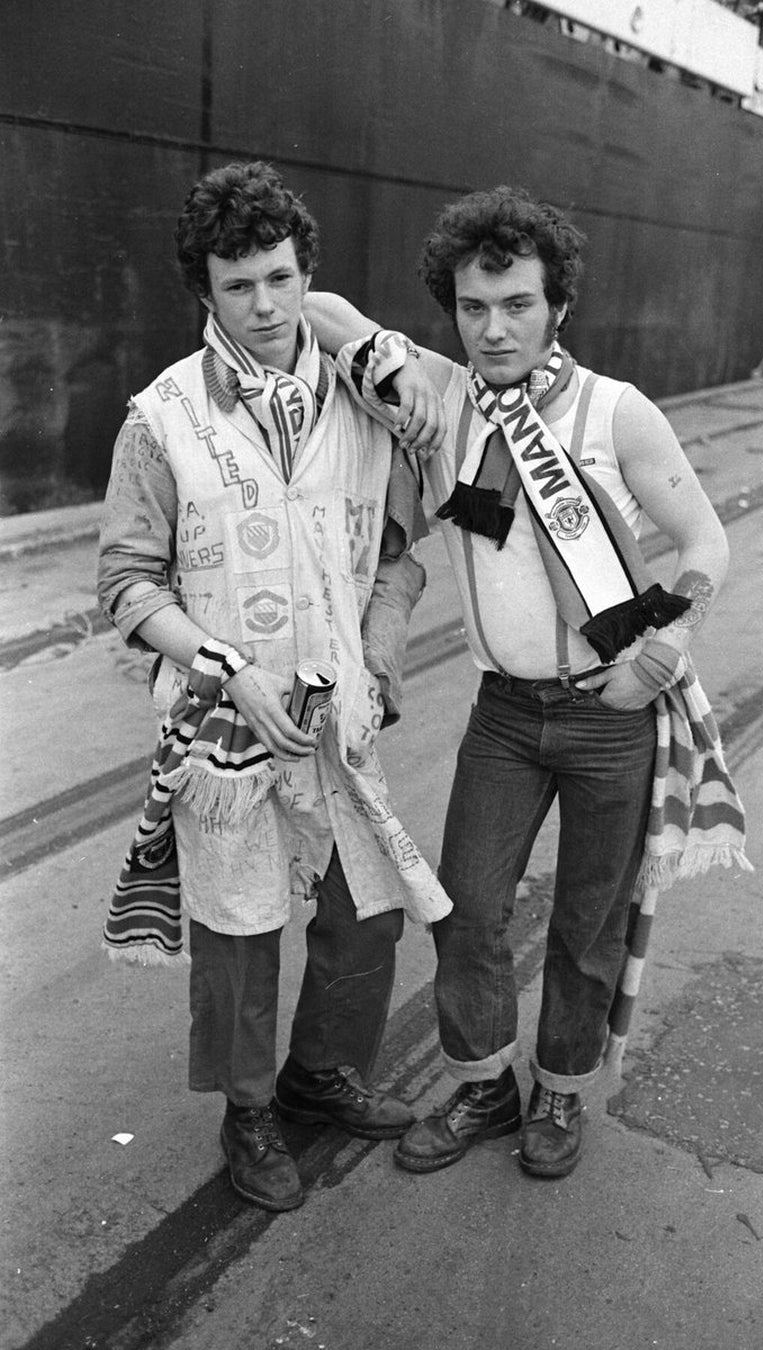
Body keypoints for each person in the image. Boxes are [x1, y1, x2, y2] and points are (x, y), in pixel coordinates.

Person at [304, 184, 746, 1180]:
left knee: (588, 929)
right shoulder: (443, 398)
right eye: (472, 308)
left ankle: (559, 1091)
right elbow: (318, 310)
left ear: (557, 308)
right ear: (451, 311)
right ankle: (483, 1083)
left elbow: (704, 543)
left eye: (516, 305)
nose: (493, 328)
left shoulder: (614, 413)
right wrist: (376, 353)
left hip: (609, 717)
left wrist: (660, 662)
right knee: (466, 907)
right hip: (502, 715)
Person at [97, 161, 450, 1212]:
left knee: (365, 912)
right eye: (238, 284)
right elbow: (124, 584)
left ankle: (320, 1075)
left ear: (308, 277)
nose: (264, 306)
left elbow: (400, 548)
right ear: (204, 289)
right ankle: (250, 1111)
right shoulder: (158, 418)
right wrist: (226, 672)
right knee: (240, 932)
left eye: (281, 279)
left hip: (338, 710)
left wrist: (379, 652)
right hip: (224, 723)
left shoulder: (366, 393)